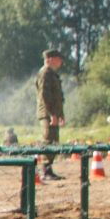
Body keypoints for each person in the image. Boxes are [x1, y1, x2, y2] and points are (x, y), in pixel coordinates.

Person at [35, 48, 65, 179]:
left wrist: (60, 114)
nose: (61, 62)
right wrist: (52, 113)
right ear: (50, 59)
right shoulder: (45, 73)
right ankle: (45, 171)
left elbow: (58, 97)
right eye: (58, 59)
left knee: (53, 140)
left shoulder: (52, 74)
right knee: (47, 139)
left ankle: (49, 169)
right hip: (47, 113)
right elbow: (45, 96)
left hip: (53, 113)